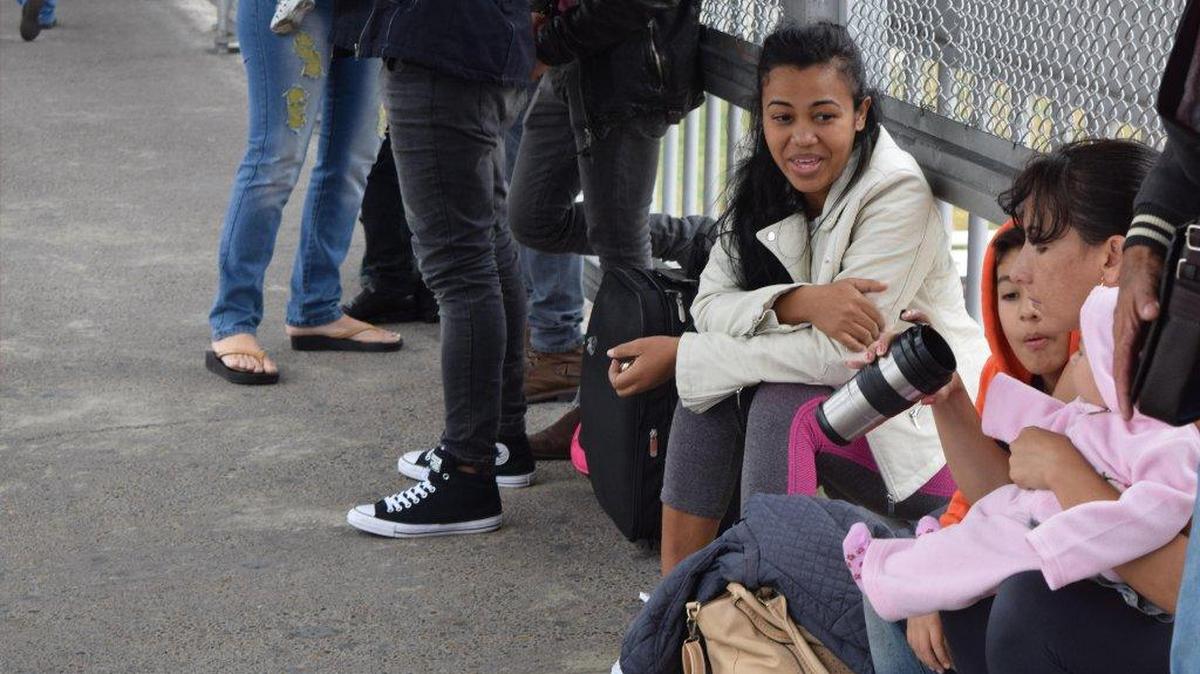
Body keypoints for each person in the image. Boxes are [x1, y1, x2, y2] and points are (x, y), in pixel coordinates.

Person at [604, 23, 986, 575]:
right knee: (710, 390)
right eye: (782, 118)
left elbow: (840, 357)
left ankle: (769, 607)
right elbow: (709, 305)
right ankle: (676, 602)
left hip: (929, 457)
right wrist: (798, 302)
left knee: (773, 401)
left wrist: (687, 354)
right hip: (847, 427)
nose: (802, 138)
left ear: (860, 113)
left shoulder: (896, 192)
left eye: (824, 116)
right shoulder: (767, 178)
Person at [844, 285, 1200, 622]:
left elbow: (1152, 515)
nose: (1075, 361)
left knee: (988, 553)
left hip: (1072, 548)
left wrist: (1064, 536)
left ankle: (885, 575)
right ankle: (925, 555)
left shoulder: (1168, 441)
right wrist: (949, 382)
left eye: (1084, 353)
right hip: (1041, 517)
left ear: (1116, 367)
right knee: (985, 526)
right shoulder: (1098, 413)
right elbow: (1041, 429)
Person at [344, 0, 541, 537]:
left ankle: (467, 474)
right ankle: (498, 441)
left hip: (442, 46)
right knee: (485, 245)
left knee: (461, 265)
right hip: (479, 44)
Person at [205, 0, 400, 386]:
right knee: (276, 159)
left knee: (356, 157)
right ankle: (234, 320)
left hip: (369, 9)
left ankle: (317, 307)